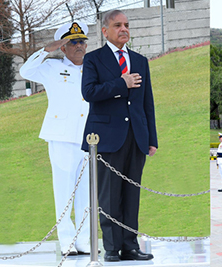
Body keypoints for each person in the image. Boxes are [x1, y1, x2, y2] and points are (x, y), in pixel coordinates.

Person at [81, 10, 156, 261]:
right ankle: (112, 248)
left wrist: (151, 139)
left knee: (131, 195)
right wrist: (121, 83)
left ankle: (130, 246)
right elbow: (89, 92)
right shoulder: (93, 59)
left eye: (126, 25)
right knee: (109, 195)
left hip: (136, 137)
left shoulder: (140, 60)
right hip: (106, 138)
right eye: (117, 25)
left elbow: (147, 103)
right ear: (105, 31)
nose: (123, 29)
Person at [19, 21, 91, 256]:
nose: (79, 46)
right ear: (63, 47)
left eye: (82, 41)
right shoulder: (51, 67)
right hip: (61, 137)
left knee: (85, 194)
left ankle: (84, 241)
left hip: (88, 138)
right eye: (73, 42)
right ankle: (67, 240)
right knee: (64, 192)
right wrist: (46, 50)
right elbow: (25, 72)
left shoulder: (93, 68)